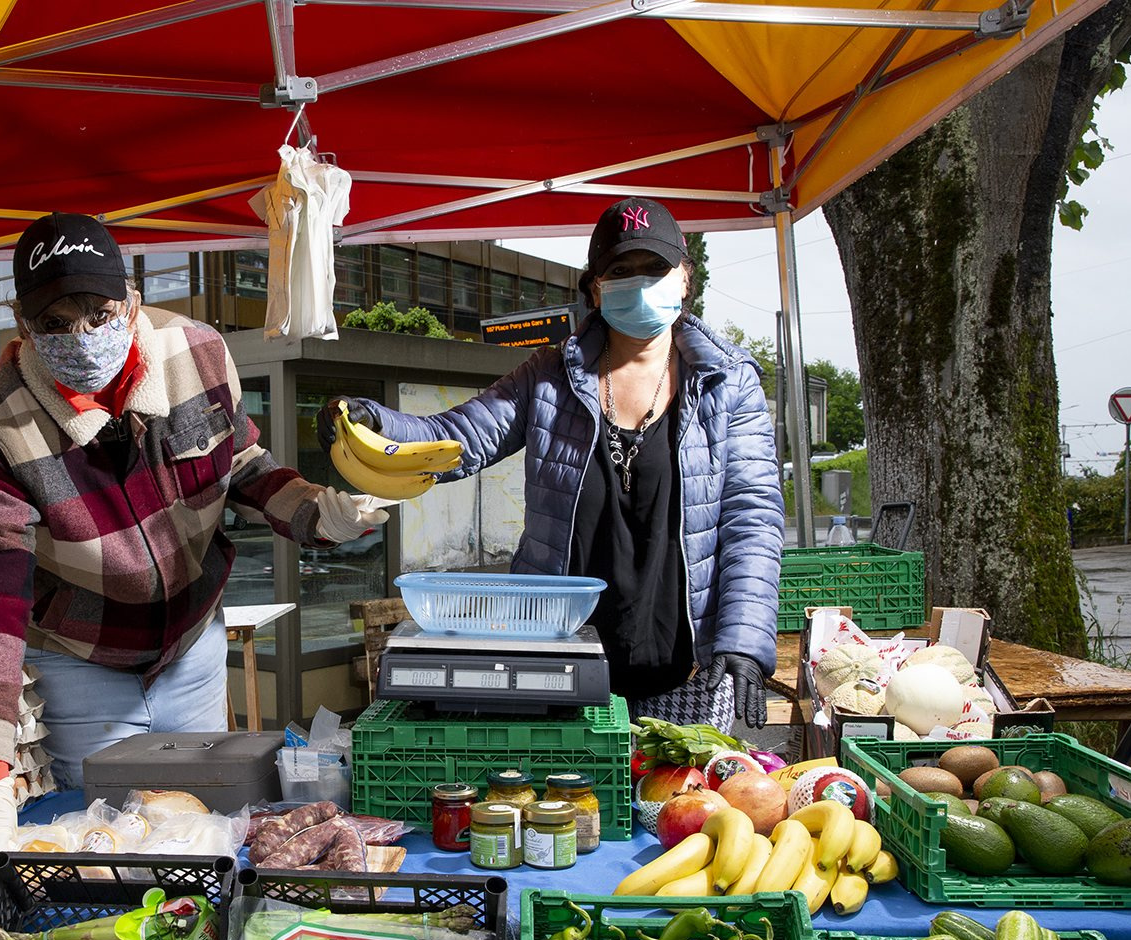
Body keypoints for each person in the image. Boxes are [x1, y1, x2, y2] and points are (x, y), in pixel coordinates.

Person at [0, 212, 389, 852]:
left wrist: (318, 513)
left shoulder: (197, 354)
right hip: (81, 652)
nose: (82, 335)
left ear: (132, 302)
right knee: (103, 832)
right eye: (55, 324)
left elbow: (242, 467)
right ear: (22, 322)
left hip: (191, 641)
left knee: (202, 823)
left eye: (99, 313)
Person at [317, 197, 782, 731]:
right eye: (620, 271)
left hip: (689, 672)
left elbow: (753, 519)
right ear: (595, 289)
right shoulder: (549, 375)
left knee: (674, 810)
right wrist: (372, 421)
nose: (640, 282)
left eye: (655, 268)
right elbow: (459, 436)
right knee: (568, 811)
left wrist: (744, 640)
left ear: (684, 278)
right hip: (561, 667)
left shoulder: (728, 382)